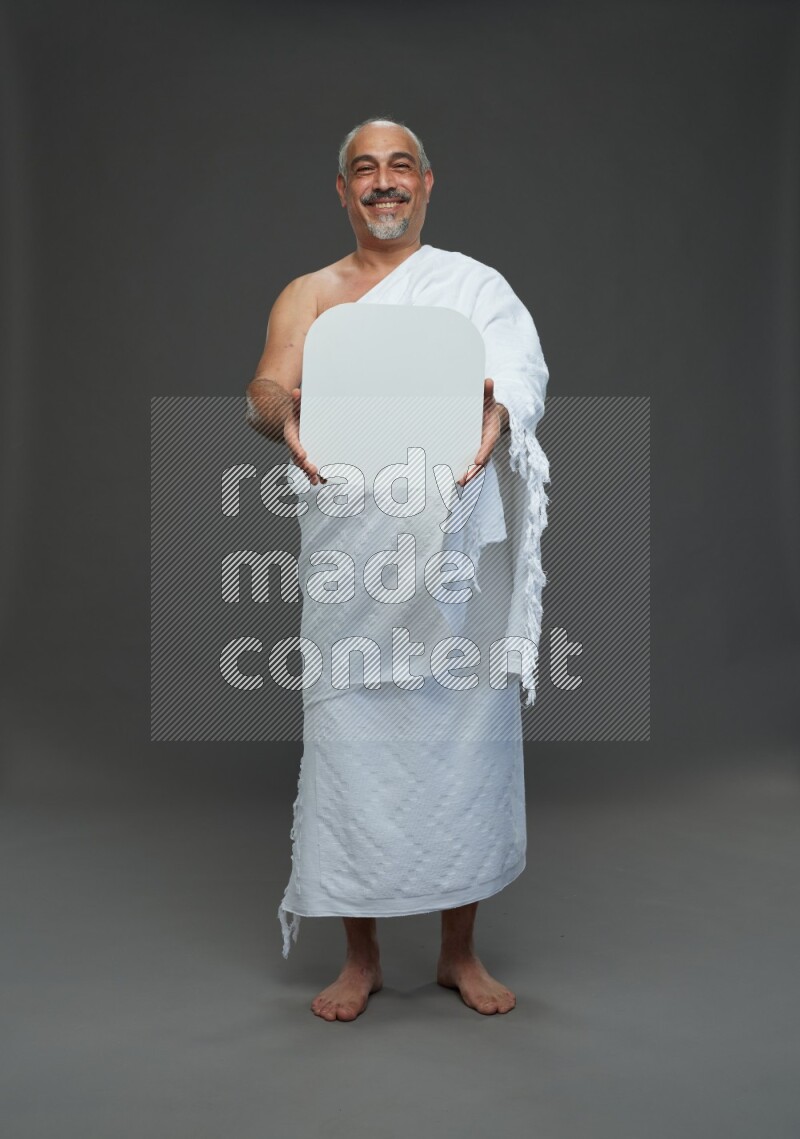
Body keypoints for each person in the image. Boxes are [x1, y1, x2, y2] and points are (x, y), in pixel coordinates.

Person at [245, 117, 550, 1020]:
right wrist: (282, 411)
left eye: (400, 167)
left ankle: (460, 950)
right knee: (355, 745)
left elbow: (515, 373)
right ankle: (361, 956)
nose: (384, 183)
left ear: (426, 184)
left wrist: (495, 415)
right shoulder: (310, 293)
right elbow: (266, 387)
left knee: (464, 743)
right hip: (353, 557)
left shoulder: (473, 288)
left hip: (457, 547)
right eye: (364, 170)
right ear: (342, 191)